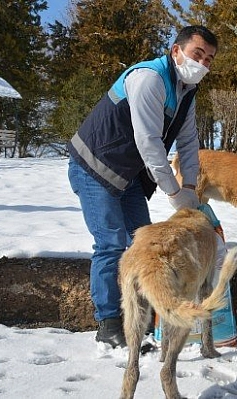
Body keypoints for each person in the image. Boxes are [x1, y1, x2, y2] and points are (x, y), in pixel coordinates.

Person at [67, 26, 218, 348]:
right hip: (94, 166)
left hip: (128, 174)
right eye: (197, 54)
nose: (203, 64)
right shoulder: (149, 78)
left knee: (145, 245)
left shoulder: (187, 90)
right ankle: (109, 323)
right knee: (111, 243)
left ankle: (144, 317)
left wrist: (190, 183)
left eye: (209, 59)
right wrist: (174, 192)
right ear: (176, 51)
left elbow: (189, 142)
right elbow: (148, 141)